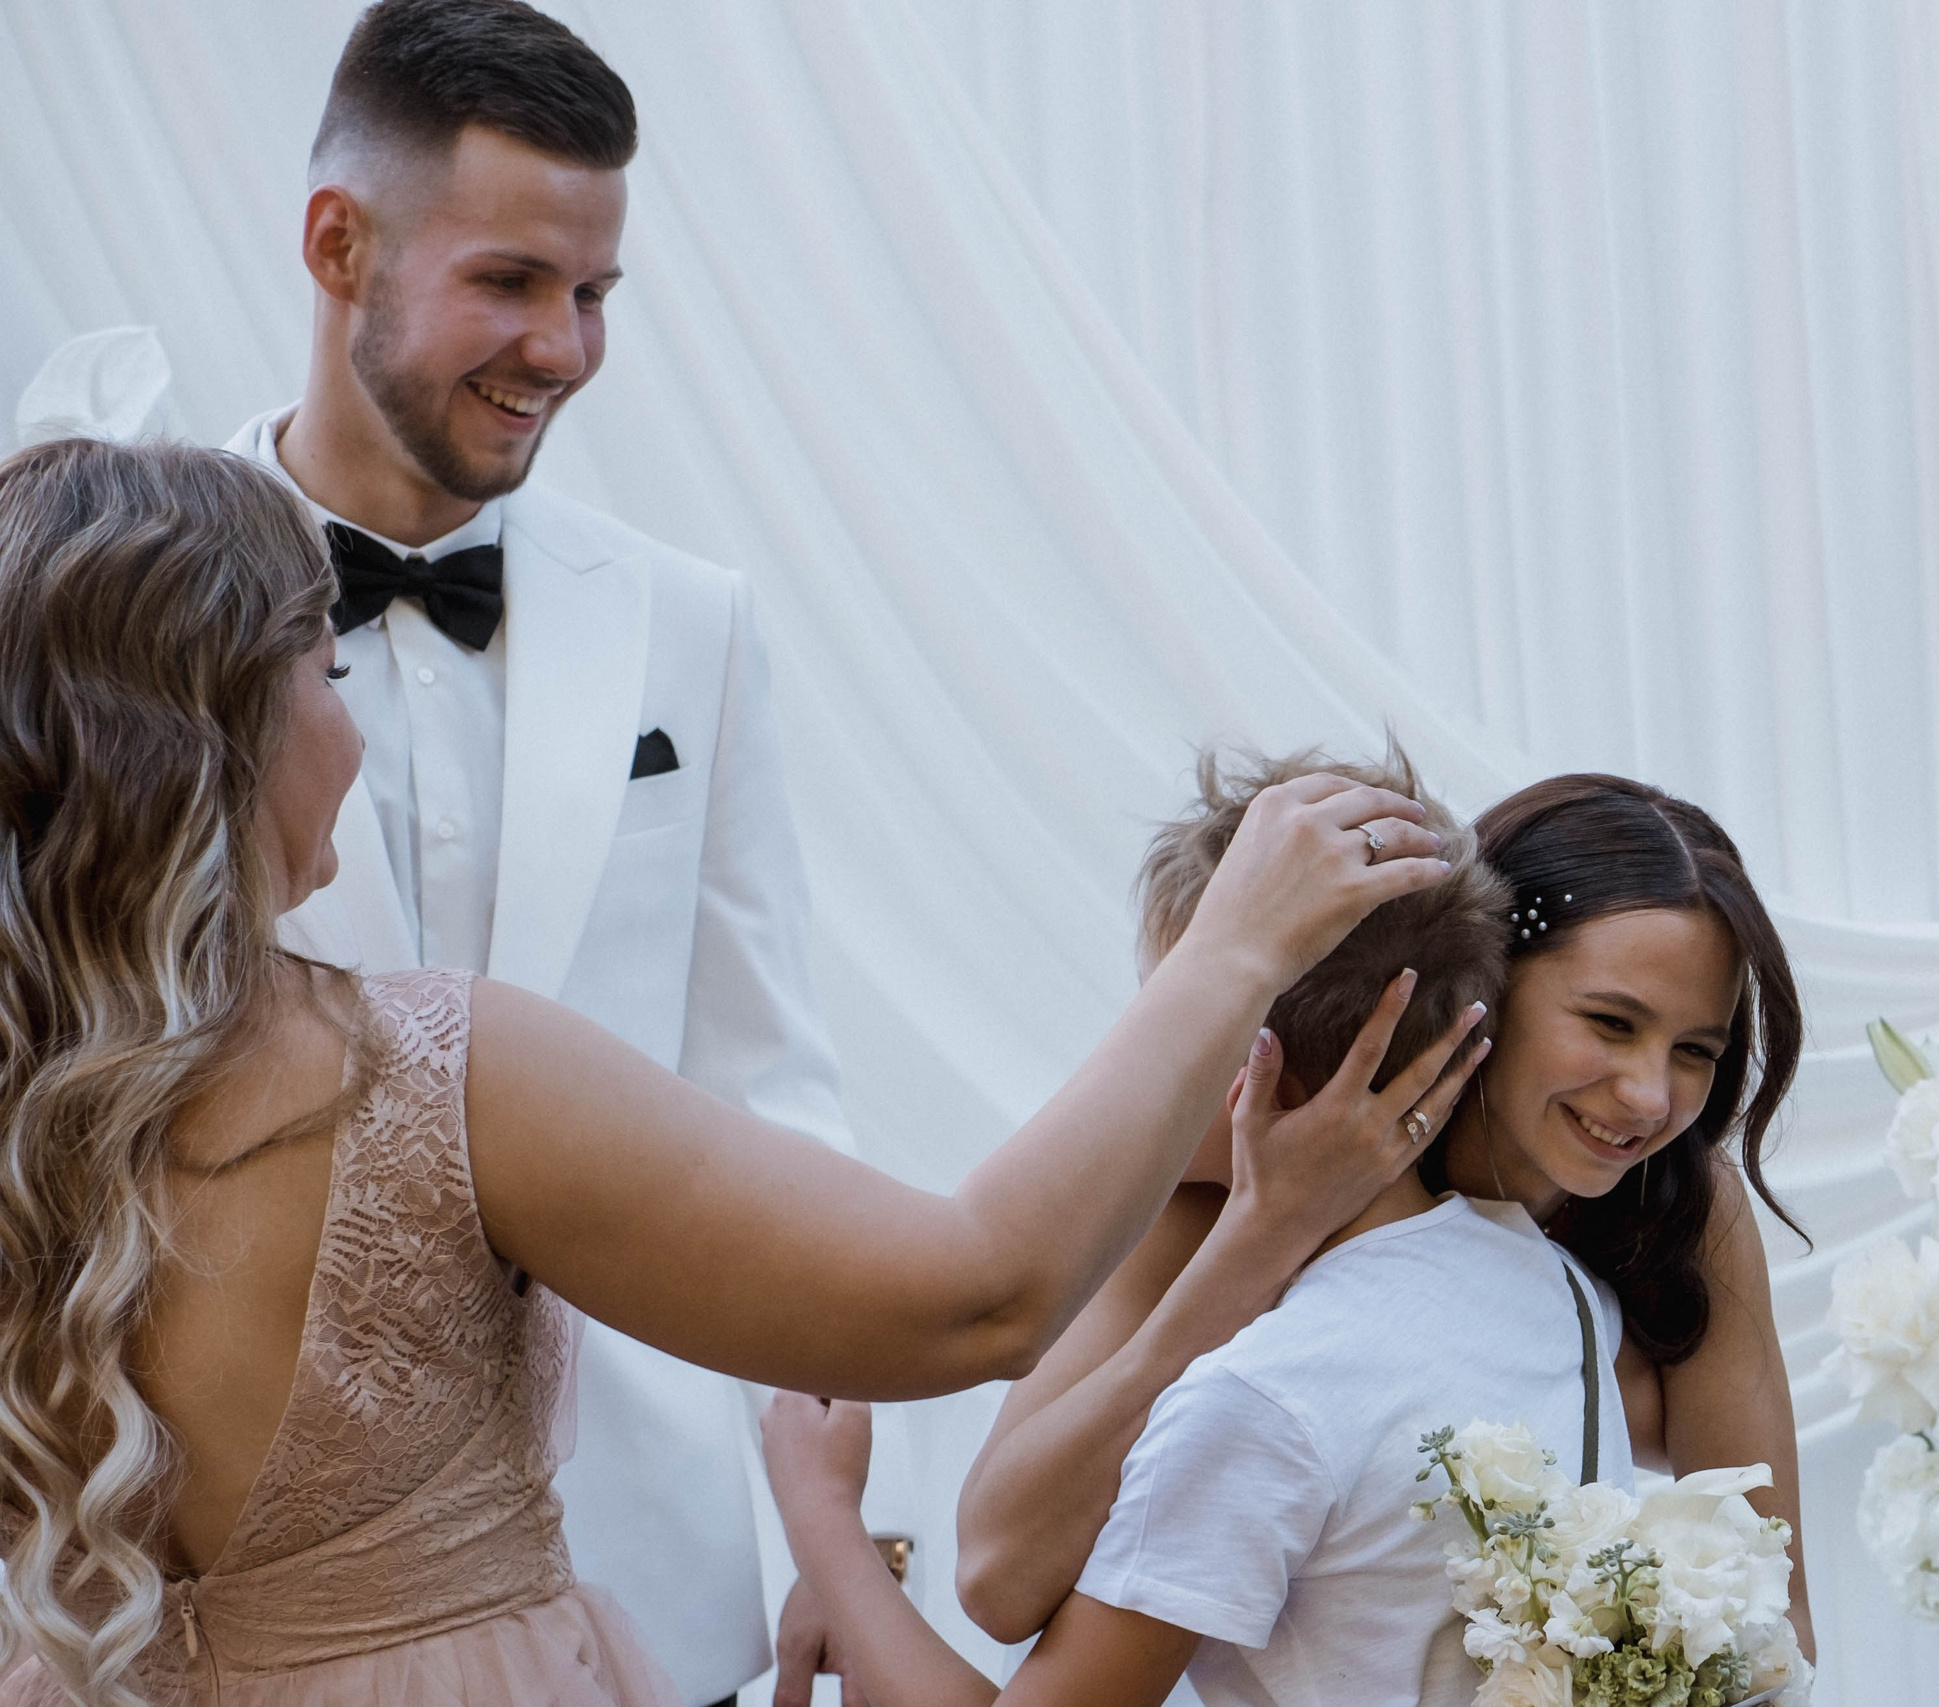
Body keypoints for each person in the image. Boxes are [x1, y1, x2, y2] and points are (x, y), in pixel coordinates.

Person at [0, 440, 1451, 1704]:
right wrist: (1231, 949)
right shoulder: (437, 1072)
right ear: (217, 738)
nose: (354, 727)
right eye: (325, 675)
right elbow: (977, 1290)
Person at [220, 1, 847, 1696]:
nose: (564, 348)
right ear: (338, 245)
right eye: (511, 282)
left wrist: (842, 1547)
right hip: (259, 1572)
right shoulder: (112, 594)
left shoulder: (690, 622)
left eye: (595, 295)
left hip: (655, 1563)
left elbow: (765, 1078)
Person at [761, 751, 1649, 1707]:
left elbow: (996, 1584)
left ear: (1245, 1062)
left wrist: (825, 1527)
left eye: (1166, 1005)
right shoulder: (1555, 1288)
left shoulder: (1266, 1393)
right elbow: (1002, 1567)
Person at [933, 772, 1815, 1687]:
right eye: (1609, 1021)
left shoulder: (1677, 1199)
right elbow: (998, 1571)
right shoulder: (1216, 1176)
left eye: (1695, 1052)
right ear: (1488, 984)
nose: (1649, 1096)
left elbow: (1773, 1618)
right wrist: (1260, 1240)